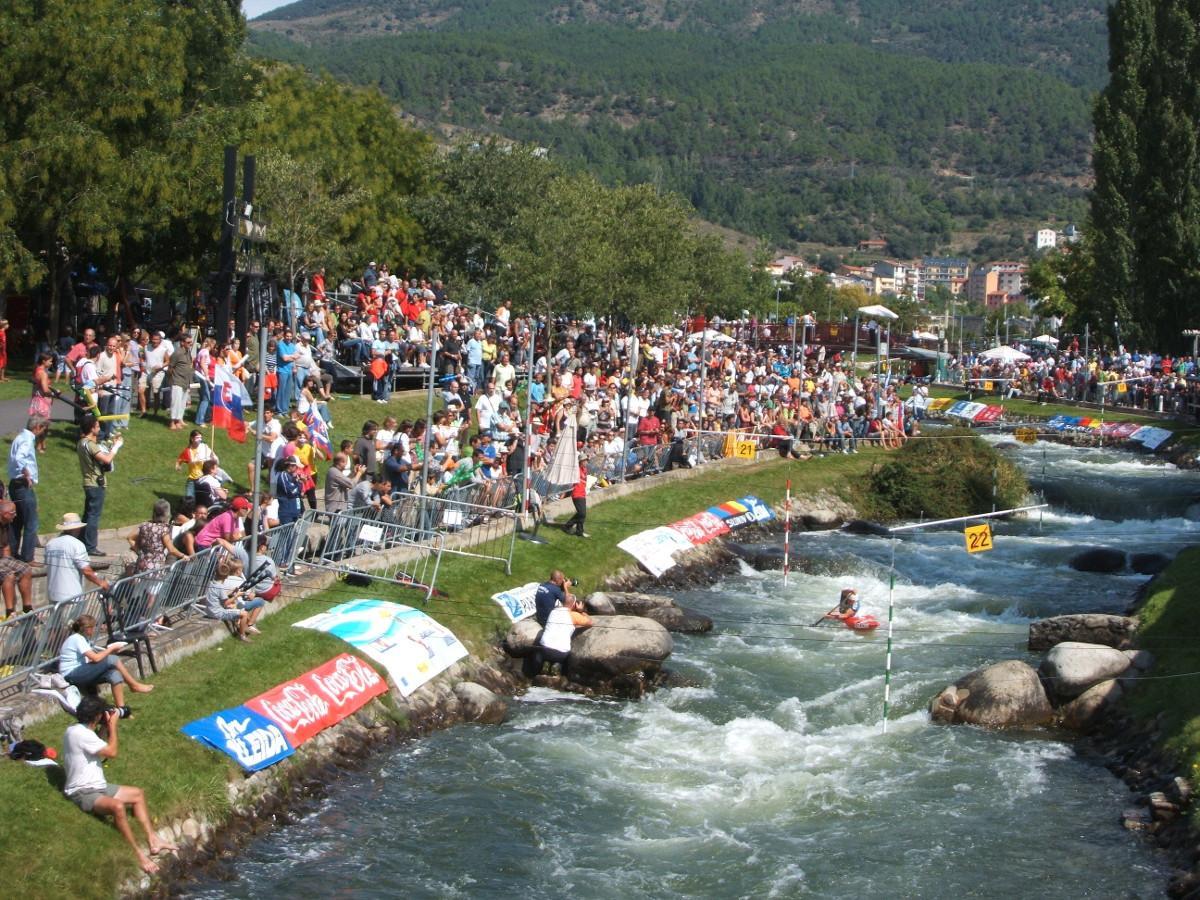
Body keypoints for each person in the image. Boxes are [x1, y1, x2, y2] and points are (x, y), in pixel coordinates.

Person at [62, 696, 177, 874]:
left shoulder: (75, 730)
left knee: (138, 794)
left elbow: (97, 747)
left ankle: (153, 839)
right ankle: (137, 853)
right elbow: (112, 752)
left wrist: (103, 728)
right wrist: (113, 726)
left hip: (97, 785)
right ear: (97, 716)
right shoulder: (81, 734)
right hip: (83, 791)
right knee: (117, 807)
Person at [58, 615, 155, 714]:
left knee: (114, 674)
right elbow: (96, 658)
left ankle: (121, 711)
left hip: (80, 671)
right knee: (112, 659)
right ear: (87, 629)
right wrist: (111, 650)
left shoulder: (82, 639)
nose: (94, 629)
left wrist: (110, 653)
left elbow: (95, 659)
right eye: (93, 627)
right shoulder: (77, 639)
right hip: (71, 674)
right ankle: (134, 686)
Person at [78, 414, 122, 556]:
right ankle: (90, 546)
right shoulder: (90, 444)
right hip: (95, 483)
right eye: (97, 426)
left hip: (88, 481)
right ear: (91, 428)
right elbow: (107, 460)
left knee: (87, 515)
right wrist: (116, 447)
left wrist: (109, 446)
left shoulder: (82, 443)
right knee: (93, 517)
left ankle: (82, 541)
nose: (99, 428)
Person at [8, 415, 48, 562]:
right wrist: (26, 473)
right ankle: (28, 557)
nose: (42, 432)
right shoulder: (27, 439)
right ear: (37, 427)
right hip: (23, 485)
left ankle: (11, 552)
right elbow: (19, 458)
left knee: (17, 522)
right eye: (43, 428)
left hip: (15, 484)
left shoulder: (20, 437)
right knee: (31, 522)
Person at [45, 513, 111, 603]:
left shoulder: (50, 544)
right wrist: (100, 582)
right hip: (71, 596)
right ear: (77, 528)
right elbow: (86, 571)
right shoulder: (77, 544)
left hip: (53, 595)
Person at [526, 596, 593, 679]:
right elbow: (590, 623)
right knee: (564, 657)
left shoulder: (553, 612)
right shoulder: (574, 616)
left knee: (540, 651)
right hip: (561, 654)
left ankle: (546, 664)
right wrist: (581, 611)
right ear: (574, 605)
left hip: (544, 650)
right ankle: (557, 665)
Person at [204, 556, 265, 642]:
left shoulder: (212, 583)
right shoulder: (220, 587)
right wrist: (236, 596)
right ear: (225, 576)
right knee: (243, 613)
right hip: (218, 613)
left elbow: (222, 596)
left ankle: (243, 627)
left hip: (209, 611)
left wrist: (232, 591)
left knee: (236, 608)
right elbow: (226, 603)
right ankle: (242, 635)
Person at [127, 499, 187, 573]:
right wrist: (183, 556)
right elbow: (171, 549)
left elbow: (130, 537)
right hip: (155, 568)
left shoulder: (144, 525)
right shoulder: (163, 530)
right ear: (167, 513)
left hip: (141, 565)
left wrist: (139, 551)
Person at [0, 501, 33, 617]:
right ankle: (10, 612)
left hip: (1, 558)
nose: (15, 515)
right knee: (9, 575)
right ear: (4, 514)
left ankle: (28, 609)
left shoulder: (6, 524)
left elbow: (6, 546)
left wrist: (9, 560)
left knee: (26, 569)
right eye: (13, 513)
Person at [166, 332, 194, 430]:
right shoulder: (177, 353)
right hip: (177, 380)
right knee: (175, 402)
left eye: (191, 342)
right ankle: (172, 422)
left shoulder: (188, 352)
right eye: (188, 342)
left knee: (182, 403)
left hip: (185, 382)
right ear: (182, 342)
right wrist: (171, 378)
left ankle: (179, 420)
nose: (190, 343)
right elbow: (170, 367)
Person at [561, 458, 589, 538]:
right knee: (581, 513)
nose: (586, 462)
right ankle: (567, 526)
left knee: (582, 514)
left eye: (586, 460)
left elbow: (584, 480)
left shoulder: (585, 469)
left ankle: (579, 531)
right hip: (576, 494)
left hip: (583, 493)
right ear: (580, 462)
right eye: (584, 461)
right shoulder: (577, 469)